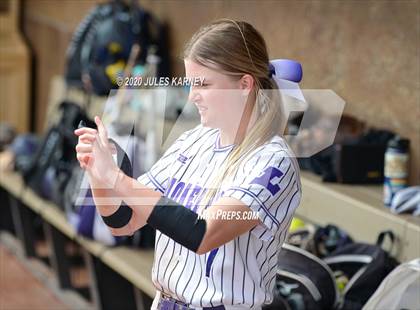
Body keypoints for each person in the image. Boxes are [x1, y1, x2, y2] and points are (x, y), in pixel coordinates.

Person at [75, 19, 302, 310]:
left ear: (244, 84)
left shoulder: (273, 159)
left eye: (204, 84)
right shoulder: (193, 140)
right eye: (190, 83)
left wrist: (116, 177)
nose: (192, 95)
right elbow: (123, 220)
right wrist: (98, 172)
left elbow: (203, 233)